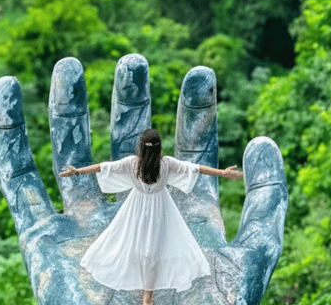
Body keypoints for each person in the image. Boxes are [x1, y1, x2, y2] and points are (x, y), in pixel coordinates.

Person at [59, 128, 244, 305]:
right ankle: (148, 292)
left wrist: (78, 171)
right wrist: (222, 173)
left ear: (141, 146)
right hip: (158, 207)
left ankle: (146, 290)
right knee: (152, 246)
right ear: (159, 148)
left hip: (141, 207)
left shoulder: (134, 163)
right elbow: (195, 168)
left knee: (135, 243)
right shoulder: (165, 163)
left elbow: (104, 167)